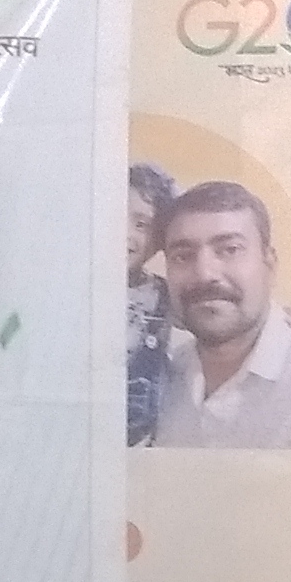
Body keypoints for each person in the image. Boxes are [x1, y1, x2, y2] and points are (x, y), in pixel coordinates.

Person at [155, 179, 291, 449]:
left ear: (269, 265)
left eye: (230, 250)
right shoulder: (158, 376)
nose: (204, 274)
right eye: (183, 256)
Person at [123, 161, 176, 447]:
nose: (124, 232)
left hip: (135, 445)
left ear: (158, 243)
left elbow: (213, 313)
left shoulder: (163, 295)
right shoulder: (65, 284)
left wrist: (285, 316)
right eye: (114, 213)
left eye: (141, 225)